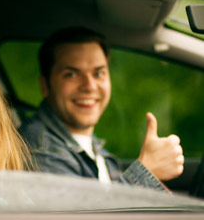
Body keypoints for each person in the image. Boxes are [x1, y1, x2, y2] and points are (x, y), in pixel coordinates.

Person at [19, 27, 184, 190]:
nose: (89, 86)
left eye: (98, 73)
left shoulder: (91, 146)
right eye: (71, 74)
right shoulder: (38, 149)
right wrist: (147, 172)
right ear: (44, 86)